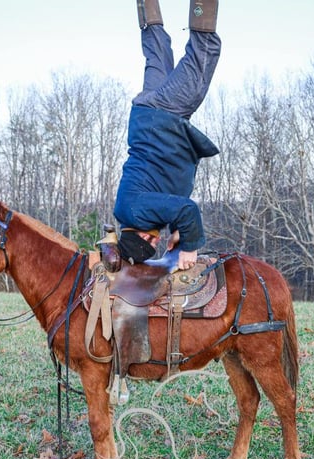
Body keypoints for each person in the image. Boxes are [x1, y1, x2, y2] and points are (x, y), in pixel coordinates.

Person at [113, 0, 221, 271]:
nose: (156, 235)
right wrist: (176, 229)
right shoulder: (127, 209)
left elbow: (187, 209)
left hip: (165, 116)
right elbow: (164, 192)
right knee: (157, 51)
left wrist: (190, 245)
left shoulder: (137, 213)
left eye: (151, 238)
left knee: (204, 51)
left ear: (137, 233)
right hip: (146, 114)